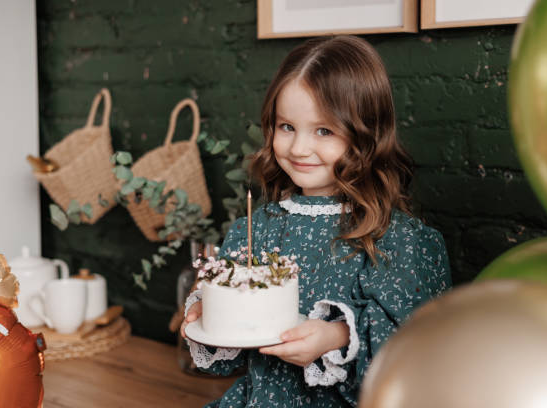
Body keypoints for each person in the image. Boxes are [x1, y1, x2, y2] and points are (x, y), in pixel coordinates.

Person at [181, 35, 452, 407]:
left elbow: (418, 357)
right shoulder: (255, 227)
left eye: (324, 130)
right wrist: (208, 318)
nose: (298, 148)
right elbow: (226, 363)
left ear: (366, 136)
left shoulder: (398, 239)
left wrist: (338, 336)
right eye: (286, 126)